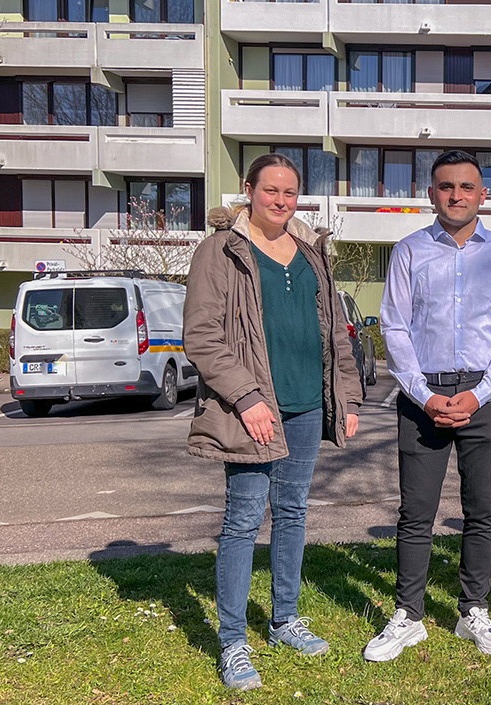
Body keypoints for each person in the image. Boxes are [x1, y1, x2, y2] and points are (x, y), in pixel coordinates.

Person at [183, 153, 363, 690]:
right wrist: (246, 398)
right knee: (242, 521)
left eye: (290, 193)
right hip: (252, 411)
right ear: (248, 190)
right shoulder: (220, 252)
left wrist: (347, 398)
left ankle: (285, 619)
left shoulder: (311, 252)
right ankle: (233, 641)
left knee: (293, 513)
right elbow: (202, 336)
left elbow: (336, 334)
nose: (281, 201)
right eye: (271, 191)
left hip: (308, 405)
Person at [365, 149, 491, 661]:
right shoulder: (409, 251)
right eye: (445, 186)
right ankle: (408, 615)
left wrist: (479, 395)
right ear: (431, 192)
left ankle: (472, 610)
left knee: (483, 509)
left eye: (466, 187)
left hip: (485, 395)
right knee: (416, 512)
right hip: (423, 396)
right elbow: (394, 326)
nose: (455, 195)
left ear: (483, 194)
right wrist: (426, 394)